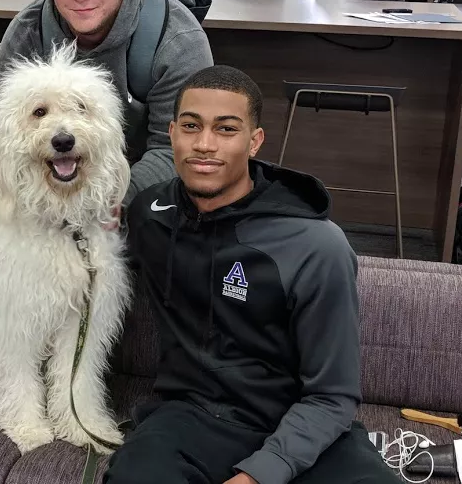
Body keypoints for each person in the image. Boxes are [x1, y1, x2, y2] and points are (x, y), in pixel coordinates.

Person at [104, 66, 399, 484]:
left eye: (226, 129)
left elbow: (332, 397)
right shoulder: (150, 215)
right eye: (191, 126)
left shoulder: (317, 246)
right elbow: (90, 259)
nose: (204, 145)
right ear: (171, 133)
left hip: (300, 426)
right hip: (191, 418)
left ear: (254, 141)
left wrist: (259, 475)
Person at [0, 0, 213, 207]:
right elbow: (11, 142)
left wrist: (110, 204)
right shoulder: (25, 37)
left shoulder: (177, 40)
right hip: (50, 202)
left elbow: (176, 148)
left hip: (148, 197)